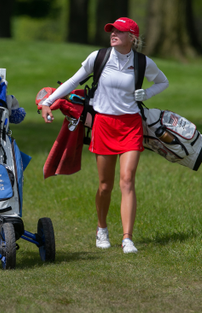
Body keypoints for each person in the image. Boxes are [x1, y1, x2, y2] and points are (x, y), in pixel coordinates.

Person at [40, 17, 169, 253]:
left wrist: (146, 94)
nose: (113, 34)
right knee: (105, 185)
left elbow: (163, 81)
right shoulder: (98, 57)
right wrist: (48, 102)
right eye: (112, 30)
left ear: (132, 37)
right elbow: (73, 81)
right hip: (104, 125)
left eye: (119, 31)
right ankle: (102, 229)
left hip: (131, 125)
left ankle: (127, 238)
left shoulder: (142, 62)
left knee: (127, 180)